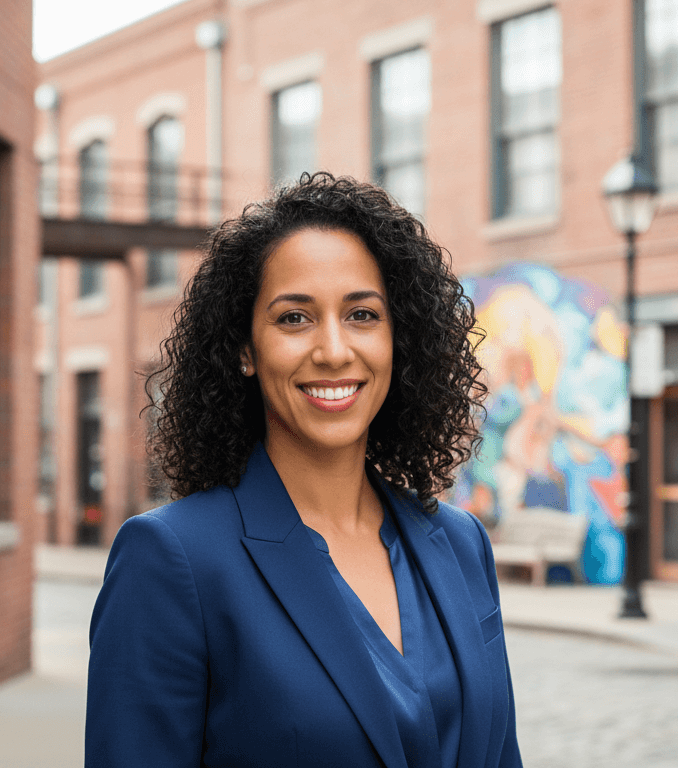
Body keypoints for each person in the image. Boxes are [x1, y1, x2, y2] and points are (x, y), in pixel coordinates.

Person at [86, 173, 524, 768]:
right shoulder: (171, 560)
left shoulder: (460, 542)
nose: (334, 350)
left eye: (363, 314)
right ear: (245, 348)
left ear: (400, 338)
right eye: (295, 318)